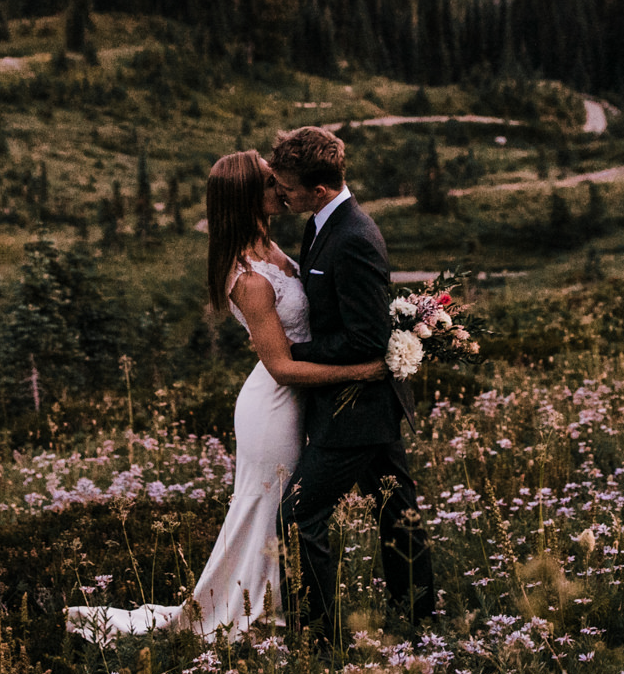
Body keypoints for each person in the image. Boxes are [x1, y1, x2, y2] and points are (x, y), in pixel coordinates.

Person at [65, 150, 385, 644]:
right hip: (276, 402)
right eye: (269, 181)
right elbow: (280, 367)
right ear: (247, 198)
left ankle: (274, 609)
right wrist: (365, 367)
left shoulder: (272, 246)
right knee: (268, 507)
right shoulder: (250, 279)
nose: (281, 185)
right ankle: (259, 616)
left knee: (275, 508)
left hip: (295, 396)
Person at [271, 125, 437, 651]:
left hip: (357, 408)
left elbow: (367, 338)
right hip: (364, 405)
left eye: (288, 187)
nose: (281, 194)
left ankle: (320, 639)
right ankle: (418, 618)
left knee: (297, 516)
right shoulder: (323, 222)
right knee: (398, 513)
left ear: (319, 189)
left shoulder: (354, 237)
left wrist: (292, 354)